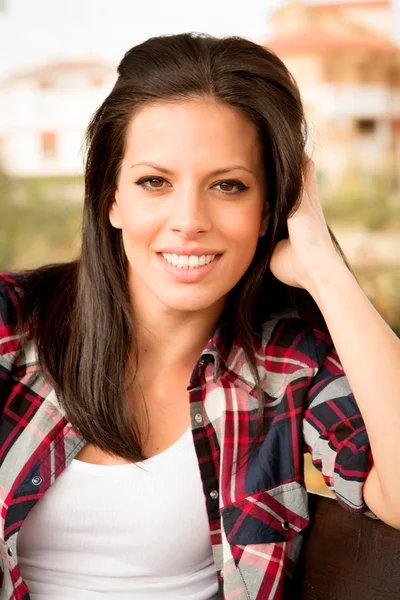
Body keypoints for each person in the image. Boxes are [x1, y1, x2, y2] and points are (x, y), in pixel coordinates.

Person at [0, 32, 399, 600]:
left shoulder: (290, 363)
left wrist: (323, 267)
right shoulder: (12, 325)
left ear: (270, 209)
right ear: (111, 196)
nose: (189, 219)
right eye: (154, 182)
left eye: (228, 186)